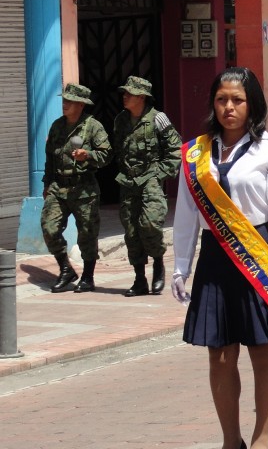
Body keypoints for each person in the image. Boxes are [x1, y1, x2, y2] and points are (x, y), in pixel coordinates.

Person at [171, 67, 268, 449]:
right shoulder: (196, 152)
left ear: (252, 104)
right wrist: (181, 265)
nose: (228, 107)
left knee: (263, 350)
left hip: (259, 255)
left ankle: (263, 437)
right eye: (221, 100)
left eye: (237, 100)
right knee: (219, 356)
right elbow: (185, 213)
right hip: (216, 258)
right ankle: (230, 441)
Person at [112, 76, 182, 297]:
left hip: (150, 180)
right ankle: (139, 279)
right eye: (125, 93)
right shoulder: (120, 120)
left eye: (129, 94)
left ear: (141, 97)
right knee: (132, 232)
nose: (125, 96)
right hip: (128, 182)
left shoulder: (158, 119)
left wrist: (160, 174)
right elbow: (118, 149)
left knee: (150, 224)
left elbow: (176, 148)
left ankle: (158, 263)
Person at [41, 83, 112, 293]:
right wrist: (46, 184)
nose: (64, 104)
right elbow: (49, 158)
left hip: (84, 189)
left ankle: (88, 277)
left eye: (69, 101)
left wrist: (87, 155)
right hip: (58, 187)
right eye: (64, 100)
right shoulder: (57, 126)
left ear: (81, 104)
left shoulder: (93, 126)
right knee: (49, 228)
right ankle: (65, 268)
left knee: (87, 235)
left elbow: (106, 155)